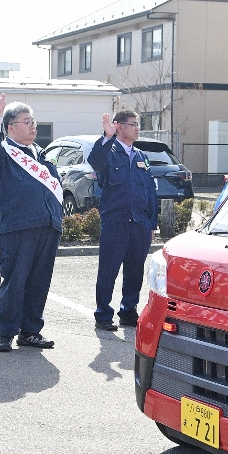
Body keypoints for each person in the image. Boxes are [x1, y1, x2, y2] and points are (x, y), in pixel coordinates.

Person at [0, 88, 61, 353]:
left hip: (47, 227)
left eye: (33, 121)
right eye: (27, 122)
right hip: (17, 228)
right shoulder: (1, 154)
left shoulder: (41, 154)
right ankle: (6, 334)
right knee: (14, 282)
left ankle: (31, 331)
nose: (33, 126)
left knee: (39, 282)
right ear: (10, 128)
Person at [88, 108, 157, 331]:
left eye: (138, 125)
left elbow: (150, 192)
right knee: (108, 270)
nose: (137, 129)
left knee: (135, 271)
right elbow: (95, 161)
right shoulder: (109, 152)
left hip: (139, 224)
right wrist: (107, 137)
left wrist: (152, 223)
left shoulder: (141, 157)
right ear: (119, 126)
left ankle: (128, 311)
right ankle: (103, 314)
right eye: (133, 124)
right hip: (115, 223)